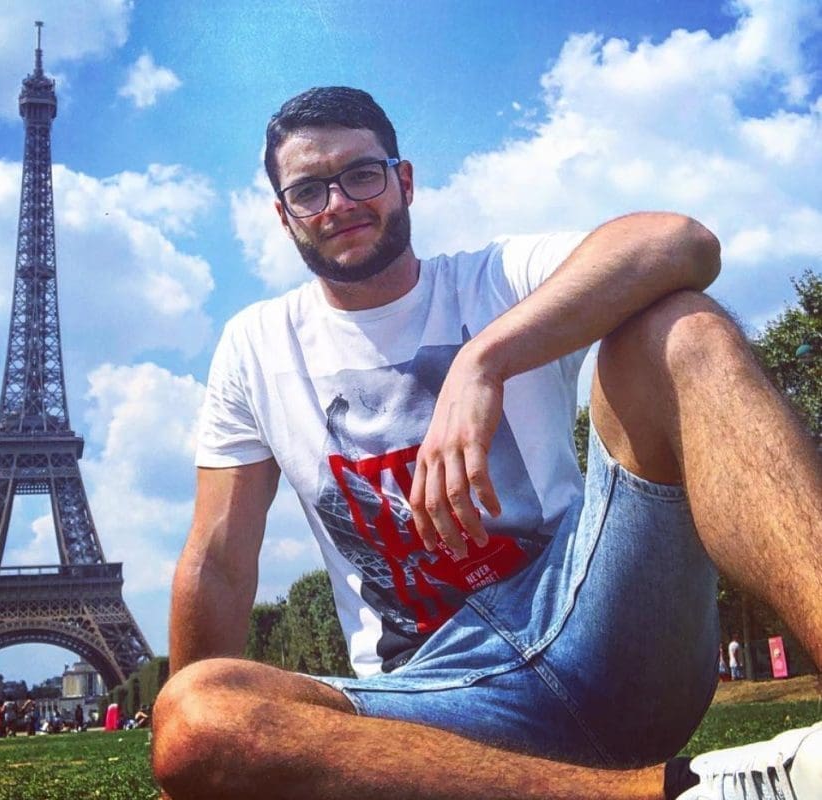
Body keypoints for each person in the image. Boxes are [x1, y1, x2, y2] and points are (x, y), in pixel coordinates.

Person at [151, 87, 822, 800]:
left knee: (679, 327)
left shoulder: (495, 279)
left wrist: (484, 361)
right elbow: (217, 560)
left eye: (361, 174)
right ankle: (676, 794)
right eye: (308, 190)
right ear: (283, 216)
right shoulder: (254, 346)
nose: (338, 203)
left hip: (603, 627)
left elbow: (680, 243)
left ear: (405, 181)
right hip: (435, 710)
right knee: (197, 715)